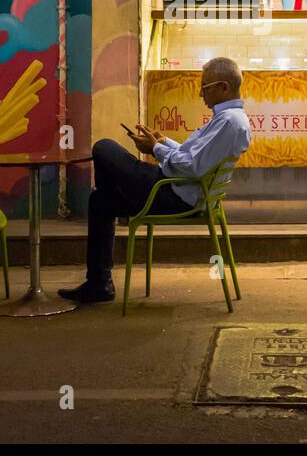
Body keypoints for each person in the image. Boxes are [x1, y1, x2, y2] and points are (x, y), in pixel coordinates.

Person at [58, 56, 252, 304]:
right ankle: (99, 284)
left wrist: (155, 149)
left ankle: (124, 206)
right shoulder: (227, 119)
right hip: (174, 187)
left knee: (104, 148)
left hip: (173, 193)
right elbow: (194, 158)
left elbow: (192, 167)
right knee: (100, 201)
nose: (200, 94)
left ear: (224, 87)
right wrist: (163, 142)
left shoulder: (228, 121)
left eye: (205, 88)